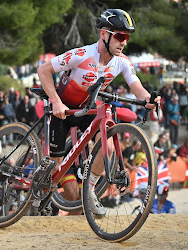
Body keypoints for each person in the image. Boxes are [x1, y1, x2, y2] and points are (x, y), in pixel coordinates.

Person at [37, 9, 160, 216]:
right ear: (104, 34)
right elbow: (43, 70)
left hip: (87, 109)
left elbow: (137, 87)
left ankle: (90, 190)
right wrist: (56, 102)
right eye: (120, 36)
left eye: (127, 37)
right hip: (63, 111)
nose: (124, 42)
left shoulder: (122, 62)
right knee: (56, 170)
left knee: (108, 147)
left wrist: (148, 99)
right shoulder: (82, 55)